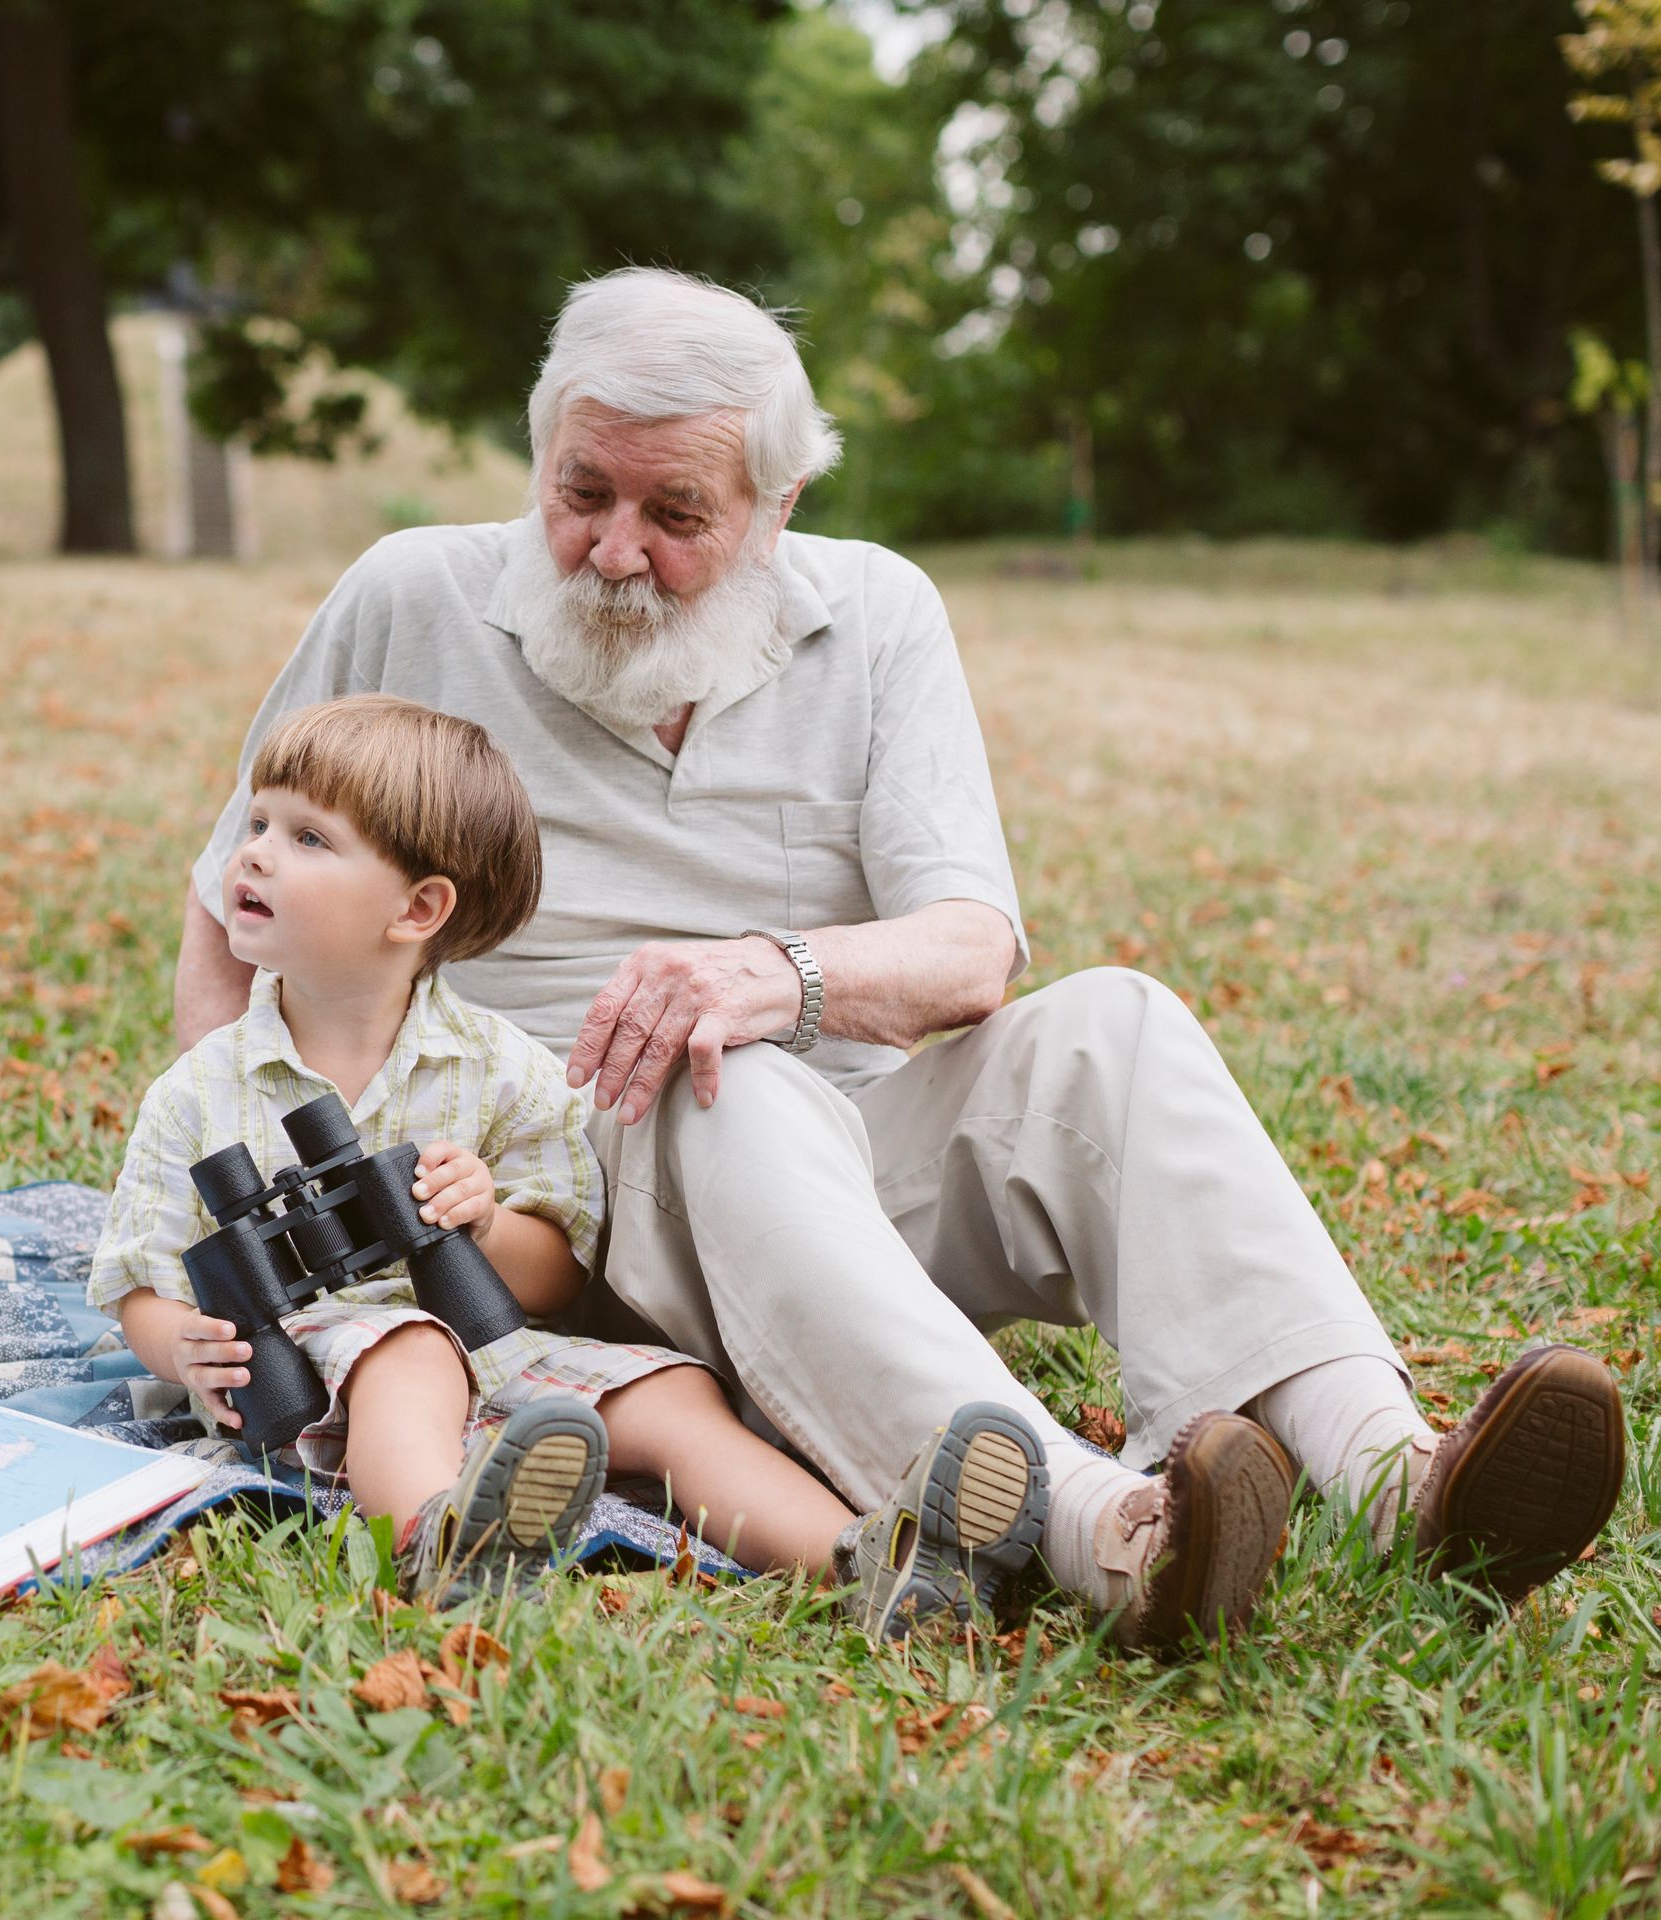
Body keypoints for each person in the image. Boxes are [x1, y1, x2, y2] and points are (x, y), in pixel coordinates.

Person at [171, 270, 1626, 1652]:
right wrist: (221, 1188)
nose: (615, 551)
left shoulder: (876, 617)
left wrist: (776, 973)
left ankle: (1401, 1481)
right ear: (539, 454)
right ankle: (1111, 1534)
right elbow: (228, 912)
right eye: (582, 494)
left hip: (838, 1197)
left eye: (677, 511)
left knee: (1114, 1026)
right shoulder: (411, 597)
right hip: (544, 1222)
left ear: (779, 503)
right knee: (712, 1076)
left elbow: (970, 946)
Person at [92, 692, 1049, 1627]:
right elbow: (139, 1267)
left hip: (503, 1362)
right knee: (410, 1348)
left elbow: (559, 1271)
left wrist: (484, 1224)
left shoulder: (499, 1065)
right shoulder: (202, 1089)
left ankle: (873, 1565)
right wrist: (175, 1344)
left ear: (419, 908)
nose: (252, 849)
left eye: (307, 838)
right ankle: (443, 1545)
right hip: (315, 1374)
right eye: (259, 820)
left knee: (674, 1396)